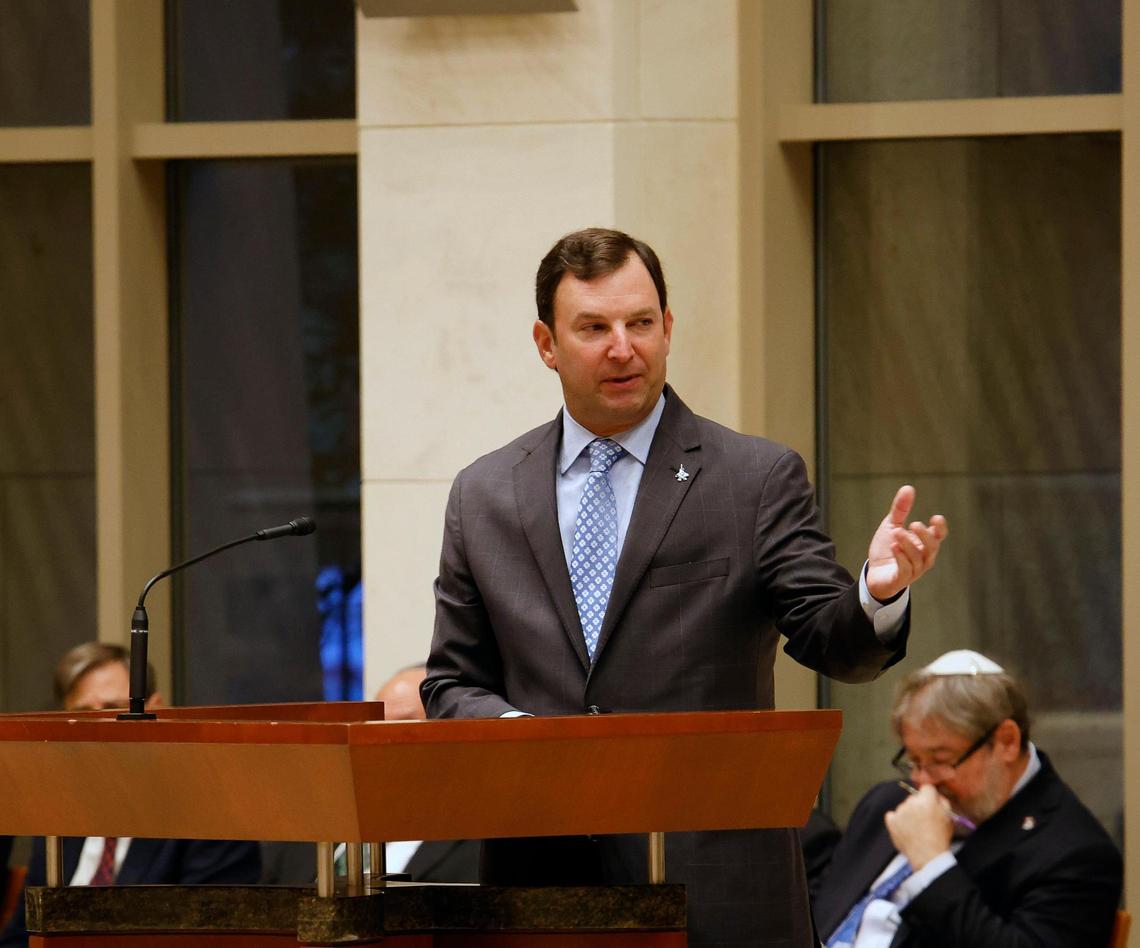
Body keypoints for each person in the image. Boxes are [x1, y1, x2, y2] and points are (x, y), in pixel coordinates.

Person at [422, 227, 948, 947]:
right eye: (594, 327)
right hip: (541, 885)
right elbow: (451, 682)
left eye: (641, 323)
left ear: (668, 328)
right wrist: (530, 742)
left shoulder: (752, 478)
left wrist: (877, 596)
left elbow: (834, 644)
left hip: (717, 886)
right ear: (546, 344)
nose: (622, 347)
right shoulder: (485, 493)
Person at [811, 650, 1122, 948]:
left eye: (940, 759)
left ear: (1007, 742)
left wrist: (931, 865)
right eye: (915, 760)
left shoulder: (1075, 855)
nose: (924, 783)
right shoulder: (887, 804)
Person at [0, 642, 261, 947]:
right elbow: (21, 937)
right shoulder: (62, 813)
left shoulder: (213, 816)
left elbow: (207, 941)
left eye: (113, 709)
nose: (98, 728)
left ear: (158, 709)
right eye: (82, 714)